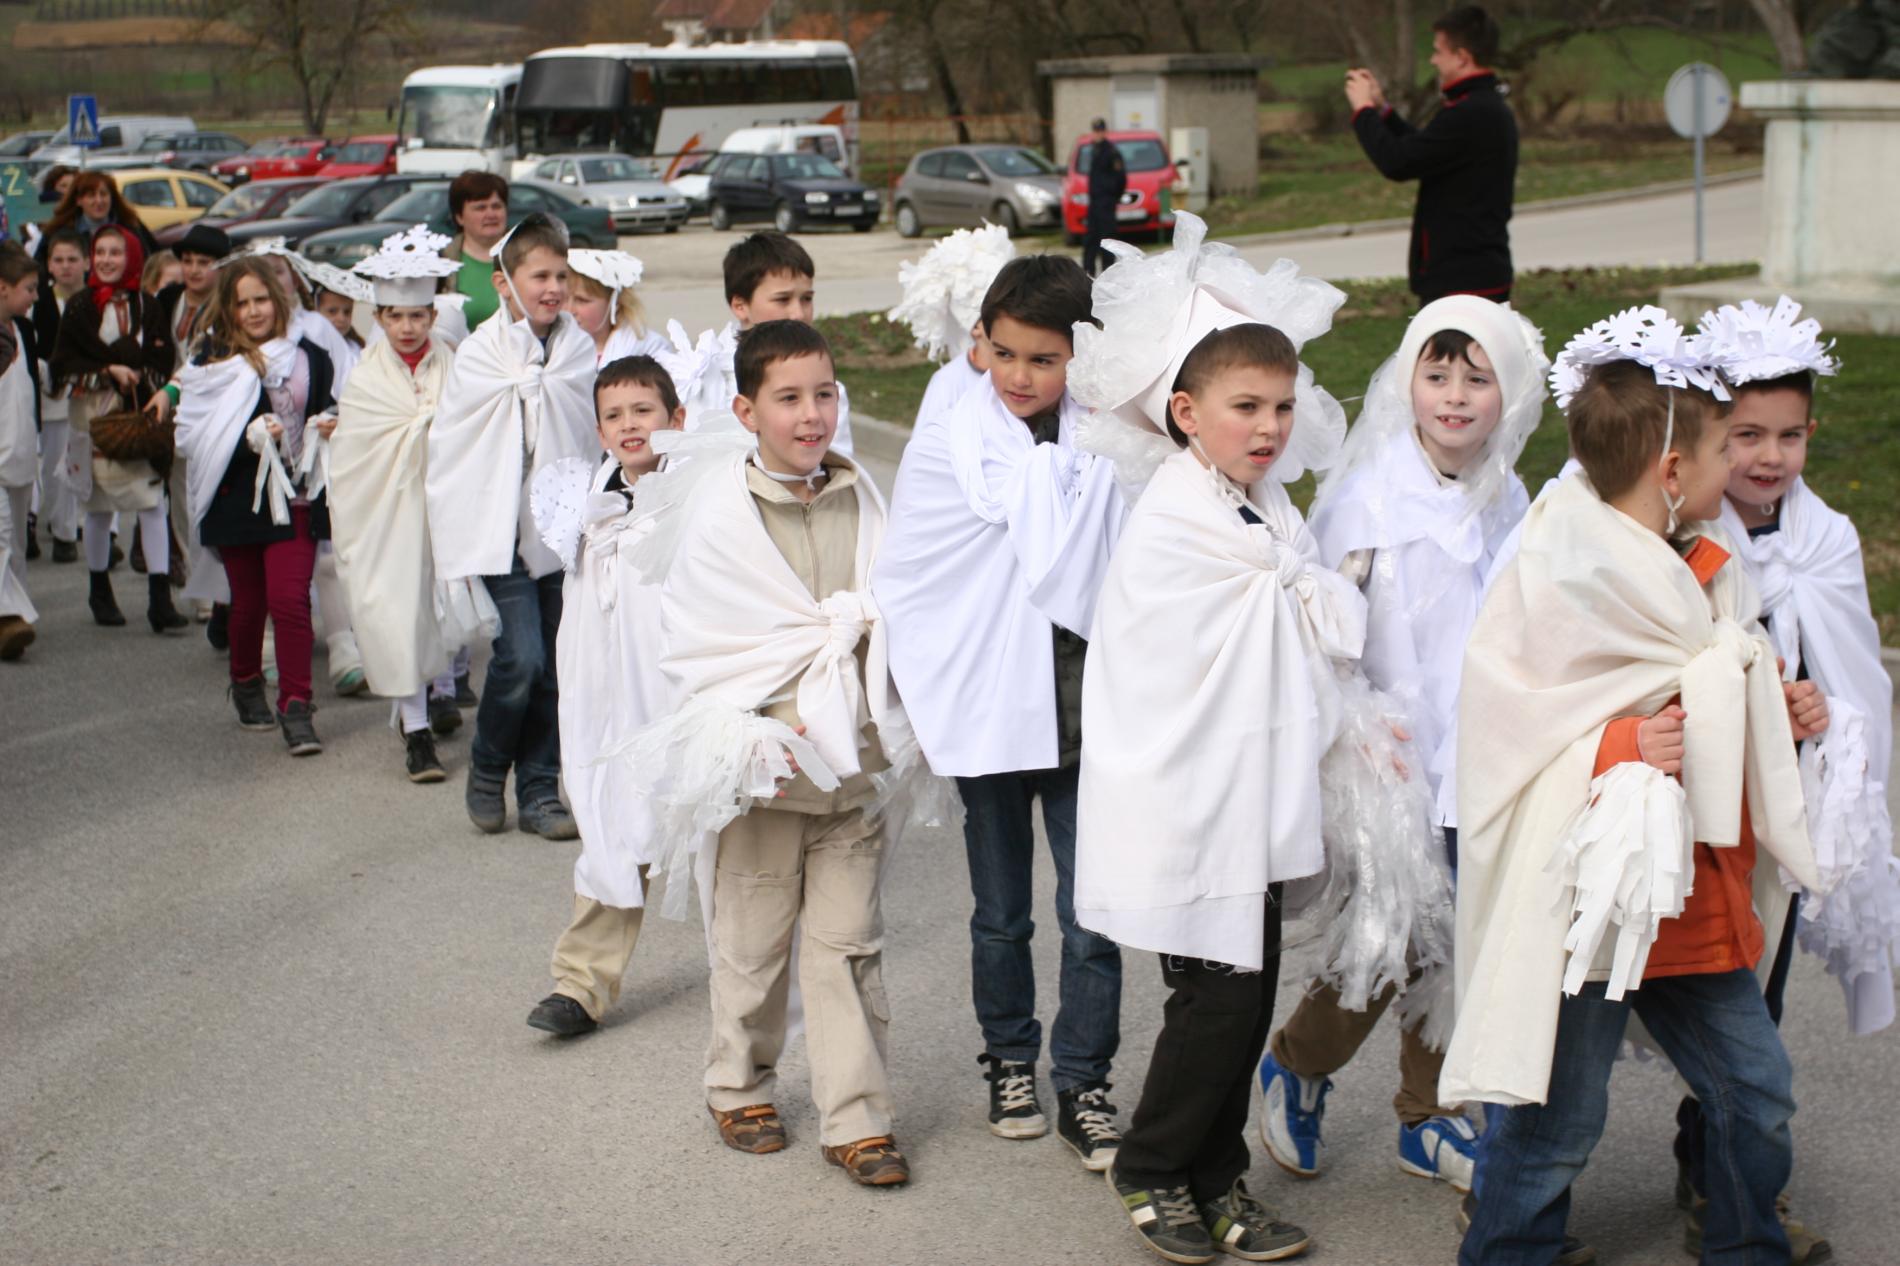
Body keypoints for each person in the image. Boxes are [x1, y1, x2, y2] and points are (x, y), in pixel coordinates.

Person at [1446, 308, 1828, 1265]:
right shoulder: (1561, 565)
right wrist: (1619, 740)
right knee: (1557, 1115)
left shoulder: (1705, 560)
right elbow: (1507, 715)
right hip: (1594, 897)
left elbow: (1720, 674)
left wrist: (1772, 705)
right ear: (1672, 471)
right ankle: (1509, 1249)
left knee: (1757, 1090)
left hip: (1690, 895)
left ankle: (1745, 1244)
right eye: (1722, 450)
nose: (1736, 466)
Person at [1069, 219, 1368, 1263]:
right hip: (1191, 799)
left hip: (1253, 793)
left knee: (1244, 999)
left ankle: (1216, 1175)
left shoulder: (1263, 507)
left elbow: (1291, 625)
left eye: (1282, 406)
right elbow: (1172, 662)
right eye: (1246, 407)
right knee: (1213, 999)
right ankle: (1154, 1168)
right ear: (1186, 413)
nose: (1269, 426)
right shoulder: (1178, 518)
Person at [1256, 296, 1548, 1194]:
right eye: (1437, 374)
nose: (1454, 396)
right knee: (1387, 931)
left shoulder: (1510, 499)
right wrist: (1356, 729)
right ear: (1408, 383)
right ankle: (1299, 1061)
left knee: (1458, 938)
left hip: (1482, 752)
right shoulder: (1368, 499)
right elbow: (1326, 629)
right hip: (1385, 752)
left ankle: (1429, 1112)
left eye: (1478, 379)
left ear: (1510, 395)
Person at [625, 319, 926, 1187]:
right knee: (752, 950)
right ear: (746, 411)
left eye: (824, 394)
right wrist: (752, 734)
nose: (811, 415)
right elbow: (697, 643)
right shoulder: (721, 515)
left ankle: (856, 1119)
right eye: (788, 398)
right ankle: (739, 1085)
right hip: (764, 776)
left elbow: (898, 611)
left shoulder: (864, 498)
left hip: (852, 773)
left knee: (848, 947)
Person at [873, 254, 1127, 1166]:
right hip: (989, 710)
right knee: (1001, 911)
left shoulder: (1114, 438)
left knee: (1093, 914)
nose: (1019, 376)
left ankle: (1084, 1080)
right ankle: (1010, 1059)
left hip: (1086, 712)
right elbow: (916, 566)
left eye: (1044, 360)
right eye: (1005, 353)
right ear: (981, 341)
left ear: (1081, 359)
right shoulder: (953, 430)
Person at [1676, 296, 1891, 1262]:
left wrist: (1821, 712)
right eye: (1747, 435)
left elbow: (1852, 674)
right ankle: (1524, 1191)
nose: (1769, 457)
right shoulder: (1681, 524)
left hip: (1779, 805)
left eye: (1790, 436)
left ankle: (1720, 1186)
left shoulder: (1826, 536)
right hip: (1691, 797)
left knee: (1754, 994)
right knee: (1658, 995)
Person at [522, 355, 684, 1039]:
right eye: (614, 415)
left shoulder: (700, 494)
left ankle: (770, 971)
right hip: (607, 692)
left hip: (677, 688)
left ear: (675, 418)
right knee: (611, 821)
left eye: (643, 410)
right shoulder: (587, 499)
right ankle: (582, 983)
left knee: (720, 829)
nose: (629, 424)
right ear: (599, 430)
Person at [427, 213, 596, 840]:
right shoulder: (482, 354)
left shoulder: (577, 351)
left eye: (561, 276)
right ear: (505, 282)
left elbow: (582, 436)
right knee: (520, 658)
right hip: (500, 537)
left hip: (558, 534)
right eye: (539, 276)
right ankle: (489, 763)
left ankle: (540, 788)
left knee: (556, 666)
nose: (553, 288)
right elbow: (455, 444)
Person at [172, 257, 340, 755]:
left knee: (290, 600)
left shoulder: (311, 354)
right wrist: (248, 438)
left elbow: (324, 405)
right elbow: (195, 433)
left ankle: (297, 706)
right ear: (228, 309)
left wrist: (328, 423)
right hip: (238, 501)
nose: (253, 311)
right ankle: (246, 682)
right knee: (248, 603)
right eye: (241, 303)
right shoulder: (212, 361)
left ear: (278, 299)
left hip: (298, 495)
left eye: (261, 299)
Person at [329, 225, 466, 784]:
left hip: (443, 506)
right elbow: (355, 450)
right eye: (395, 317)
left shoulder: (452, 365)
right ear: (380, 319)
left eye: (416, 316)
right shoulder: (365, 378)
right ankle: (417, 730)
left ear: (433, 316)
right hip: (388, 513)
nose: (407, 327)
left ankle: (443, 689)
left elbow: (469, 428)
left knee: (442, 607)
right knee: (399, 612)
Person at [52, 224, 185, 633]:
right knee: (98, 507)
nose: (107, 260)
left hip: (138, 418)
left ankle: (160, 598)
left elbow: (163, 358)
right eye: (101, 252)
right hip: (92, 419)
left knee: (152, 503)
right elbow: (61, 368)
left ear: (131, 257)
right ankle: (100, 591)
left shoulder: (148, 305)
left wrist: (140, 376)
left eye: (116, 252)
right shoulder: (80, 307)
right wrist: (107, 370)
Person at [1346, 6, 1517, 304]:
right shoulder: (1479, 106)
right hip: (1470, 275)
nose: (1433, 60)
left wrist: (1363, 110)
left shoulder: (1471, 112)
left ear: (1462, 57)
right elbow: (1424, 150)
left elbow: (1398, 162)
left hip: (1463, 280)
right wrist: (1383, 111)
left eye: (1438, 51)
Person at [147, 222, 231, 622]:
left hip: (213, 411)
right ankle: (201, 591)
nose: (195, 270)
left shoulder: (228, 306)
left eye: (204, 262)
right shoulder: (168, 299)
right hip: (171, 413)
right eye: (189, 261)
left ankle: (221, 588)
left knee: (208, 499)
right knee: (181, 502)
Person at [710, 232, 854, 456]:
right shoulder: (703, 380)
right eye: (782, 299)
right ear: (740, 306)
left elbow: (835, 461)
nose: (798, 314)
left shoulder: (825, 389)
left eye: (806, 299)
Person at [884, 222, 1015, 422]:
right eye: (1002, 315)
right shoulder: (947, 383)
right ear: (976, 327)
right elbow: (927, 438)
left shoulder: (1021, 375)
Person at [27, 229, 87, 565]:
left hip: (90, 394)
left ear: (86, 262)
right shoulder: (39, 302)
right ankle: (62, 530)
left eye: (72, 259)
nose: (65, 266)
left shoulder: (96, 300)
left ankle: (94, 528)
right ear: (48, 265)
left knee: (90, 464)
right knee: (55, 465)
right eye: (58, 260)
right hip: (52, 396)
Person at [0, 241, 41, 660]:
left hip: (21, 452)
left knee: (16, 541)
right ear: (3, 288)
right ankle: (7, 618)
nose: (35, 296)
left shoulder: (23, 331)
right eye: (28, 288)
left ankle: (17, 612)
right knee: (0, 538)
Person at [566, 248, 669, 369]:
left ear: (615, 304)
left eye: (582, 300)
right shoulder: (552, 346)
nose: (569, 310)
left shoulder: (648, 350)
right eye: (562, 299)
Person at [34, 170, 158, 260]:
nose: (99, 201)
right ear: (78, 200)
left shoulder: (131, 226)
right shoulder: (59, 232)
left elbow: (154, 259)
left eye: (103, 194)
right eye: (91, 195)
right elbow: (40, 268)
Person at [443, 170, 510, 331]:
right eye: (480, 208)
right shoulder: (441, 263)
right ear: (459, 217)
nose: (490, 214)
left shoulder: (527, 257)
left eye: (496, 206)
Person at [1082, 118, 1126, 278]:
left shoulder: (1111, 152)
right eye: (1095, 131)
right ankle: (1088, 273)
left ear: (1105, 132)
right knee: (1090, 239)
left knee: (1107, 239)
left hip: (1106, 202)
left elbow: (1121, 178)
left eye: (1100, 131)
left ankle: (1108, 274)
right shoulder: (1094, 150)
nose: (1098, 134)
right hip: (1094, 202)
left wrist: (1113, 197)